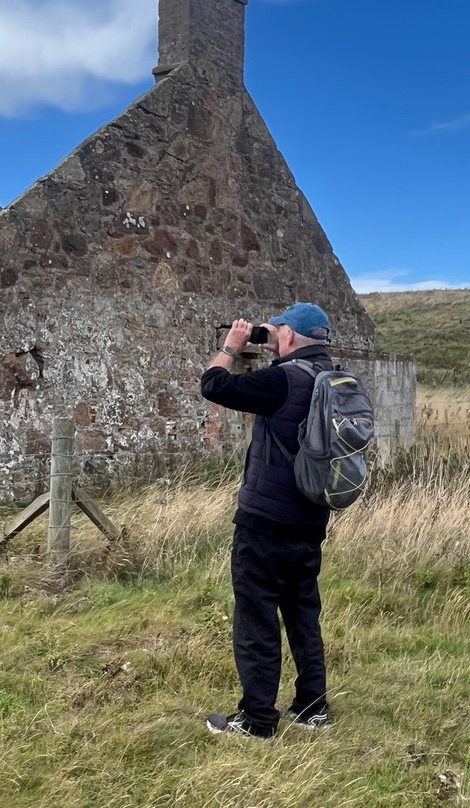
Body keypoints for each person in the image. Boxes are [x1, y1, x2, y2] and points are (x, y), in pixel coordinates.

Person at [200, 302, 335, 738]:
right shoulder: (334, 380)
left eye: (276, 333)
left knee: (257, 619)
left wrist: (231, 346)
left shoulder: (283, 380)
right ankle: (312, 708)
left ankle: (258, 720)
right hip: (311, 520)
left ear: (290, 337)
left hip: (264, 522)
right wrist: (264, 335)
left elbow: (214, 384)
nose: (273, 339)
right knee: (302, 613)